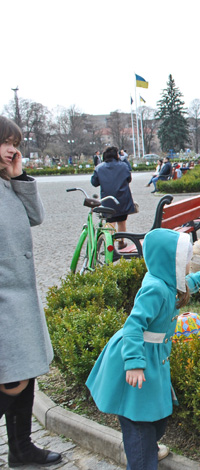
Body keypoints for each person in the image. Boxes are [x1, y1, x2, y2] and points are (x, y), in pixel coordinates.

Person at [86, 229, 200, 470]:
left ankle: (146, 451)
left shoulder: (166, 282)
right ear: (169, 262)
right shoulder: (155, 289)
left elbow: (186, 284)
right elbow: (133, 326)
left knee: (157, 420)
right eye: (186, 259)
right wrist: (134, 363)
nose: (189, 263)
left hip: (152, 359)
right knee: (138, 422)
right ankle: (142, 461)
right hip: (136, 361)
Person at [0, 116, 62, 466]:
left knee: (25, 372)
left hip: (19, 298)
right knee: (13, 381)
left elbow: (35, 217)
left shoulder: (6, 183)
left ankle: (22, 449)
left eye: (16, 142)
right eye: (7, 142)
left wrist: (19, 175)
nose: (13, 149)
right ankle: (21, 449)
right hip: (4, 301)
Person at [91, 146, 136, 246]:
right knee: (122, 222)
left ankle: (109, 244)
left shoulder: (99, 168)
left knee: (110, 222)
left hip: (108, 200)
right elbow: (129, 179)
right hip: (122, 199)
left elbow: (94, 182)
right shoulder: (123, 166)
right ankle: (121, 242)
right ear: (116, 155)